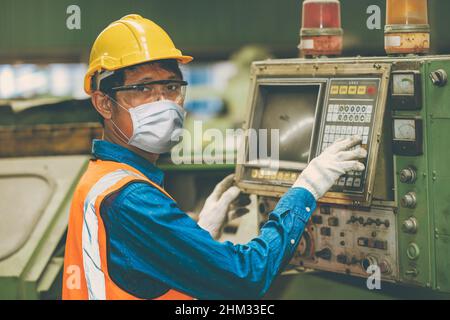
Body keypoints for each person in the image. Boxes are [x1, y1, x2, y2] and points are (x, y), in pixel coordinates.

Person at [62, 14, 367, 300]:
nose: (163, 102)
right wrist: (307, 189)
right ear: (104, 103)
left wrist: (199, 234)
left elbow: (143, 273)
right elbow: (245, 277)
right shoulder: (129, 198)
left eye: (171, 87)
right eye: (142, 88)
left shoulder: (103, 177)